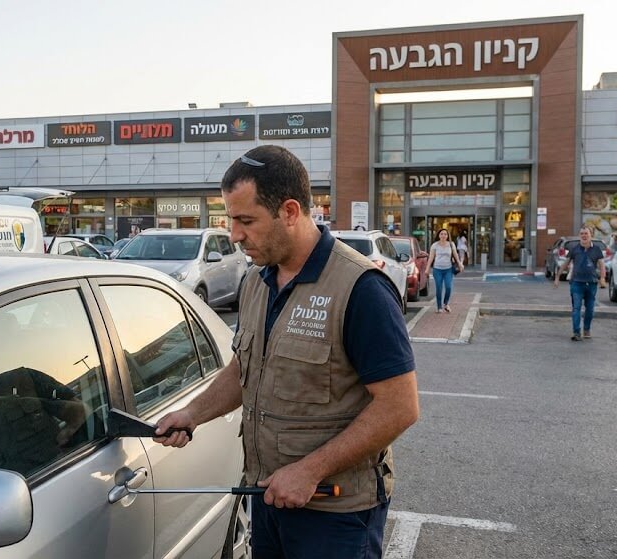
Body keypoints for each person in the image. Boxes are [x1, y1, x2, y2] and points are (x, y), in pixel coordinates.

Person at [154, 145, 419, 559]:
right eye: (231, 220)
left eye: (246, 221)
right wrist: (193, 413)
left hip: (335, 514)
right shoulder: (257, 282)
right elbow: (246, 367)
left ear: (290, 211)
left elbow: (399, 407)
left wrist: (310, 470)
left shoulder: (361, 289)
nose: (235, 235)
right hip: (267, 496)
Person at [554, 226, 607, 341]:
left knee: (590, 309)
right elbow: (565, 263)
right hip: (577, 283)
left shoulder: (597, 249)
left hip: (591, 283)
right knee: (576, 308)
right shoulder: (575, 249)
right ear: (579, 235)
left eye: (586, 233)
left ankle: (586, 329)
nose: (584, 236)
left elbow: (602, 265)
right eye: (582, 233)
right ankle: (576, 332)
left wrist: (602, 278)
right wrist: (557, 276)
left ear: (591, 235)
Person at [422, 229, 463, 313]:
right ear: (439, 235)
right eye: (441, 234)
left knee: (448, 287)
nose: (443, 236)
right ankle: (439, 307)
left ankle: (446, 303)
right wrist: (427, 269)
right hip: (437, 270)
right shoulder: (434, 245)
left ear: (447, 236)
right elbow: (431, 258)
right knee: (439, 288)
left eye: (445, 234)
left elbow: (455, 255)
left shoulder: (451, 244)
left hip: (448, 269)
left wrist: (459, 264)